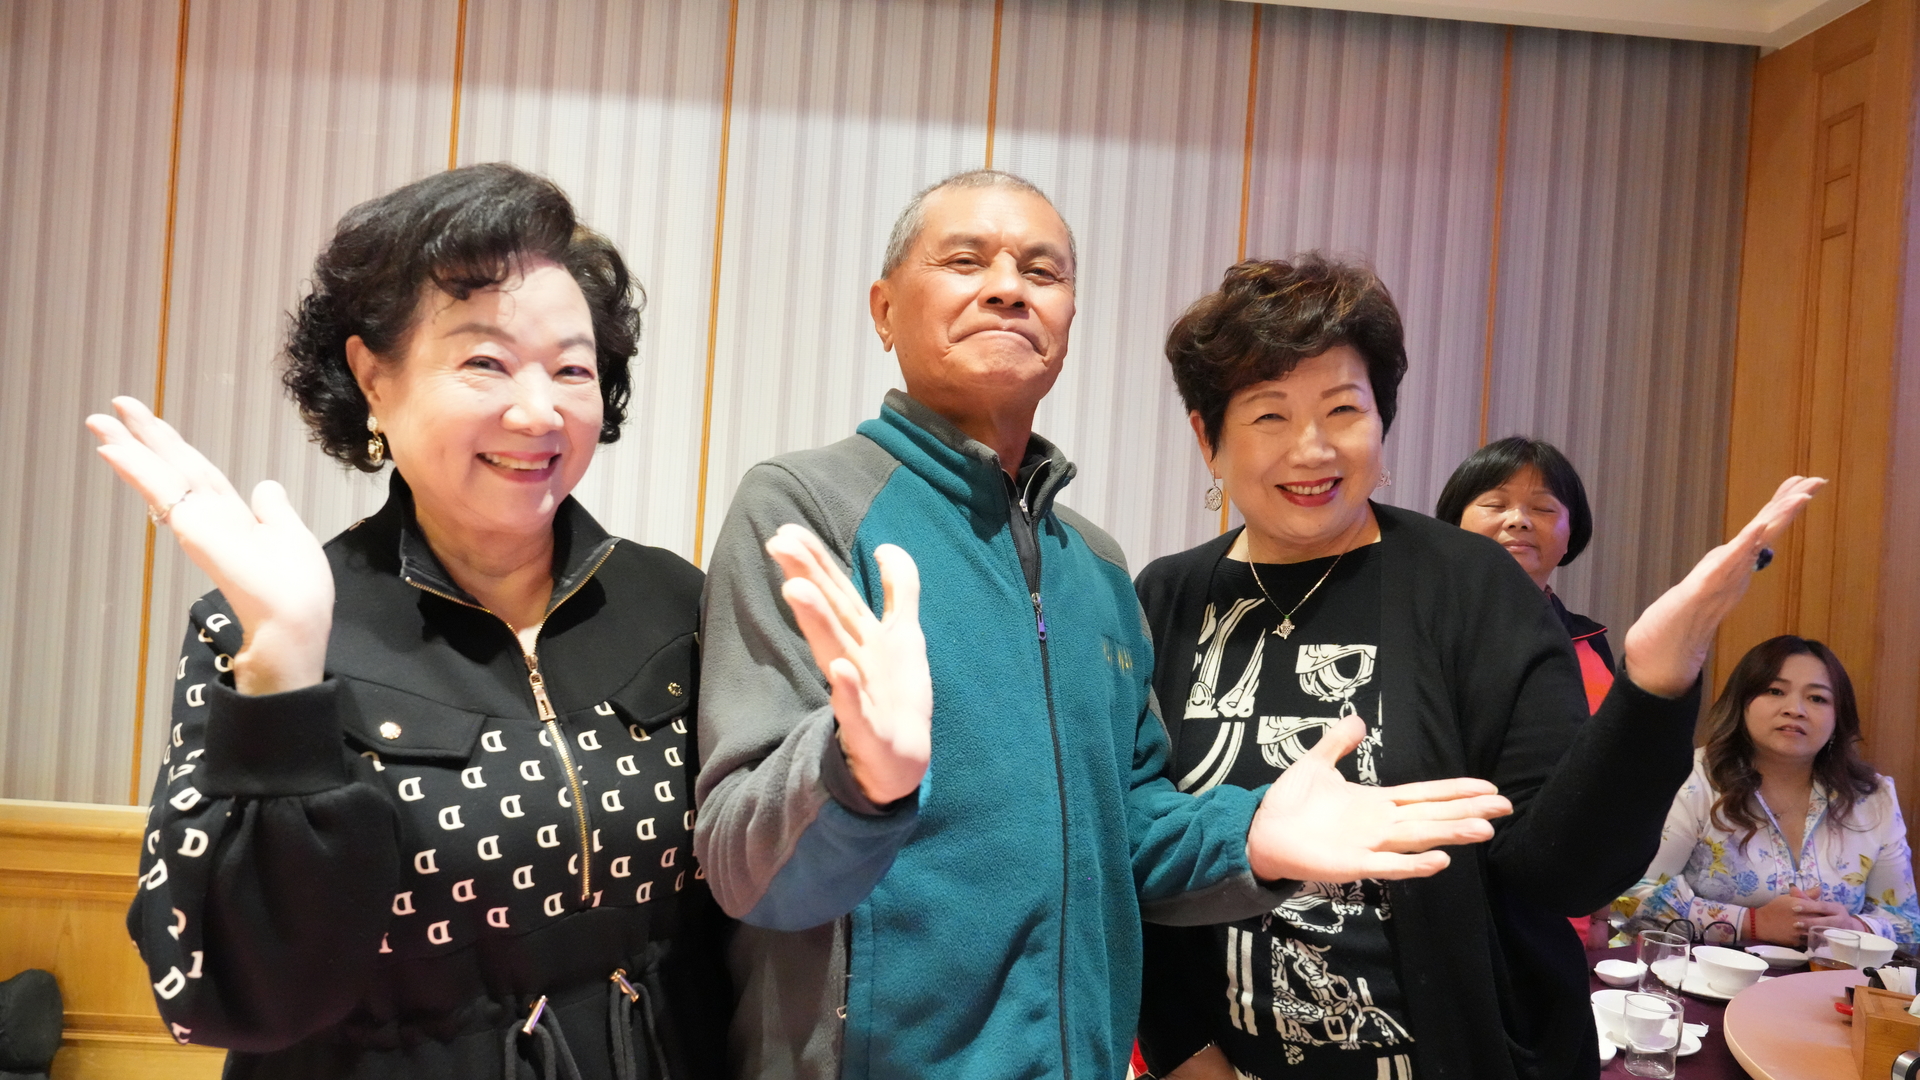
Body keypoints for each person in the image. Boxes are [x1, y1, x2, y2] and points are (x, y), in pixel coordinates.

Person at [691, 171, 1513, 1080]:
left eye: (1041, 271)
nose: (1008, 288)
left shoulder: (1096, 566)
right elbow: (740, 863)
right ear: (885, 310)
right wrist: (855, 773)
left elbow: (1130, 827)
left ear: (1069, 320)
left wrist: (1248, 836)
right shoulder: (803, 507)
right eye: (965, 261)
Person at [95, 164, 728, 1078]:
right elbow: (221, 995)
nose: (538, 411)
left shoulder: (676, 602)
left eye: (572, 369)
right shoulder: (263, 624)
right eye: (485, 362)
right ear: (374, 378)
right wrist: (283, 670)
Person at [1132, 255, 1821, 1080]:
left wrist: (1655, 681)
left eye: (1343, 408)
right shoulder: (1166, 598)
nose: (1311, 448)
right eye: (1269, 415)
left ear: (1381, 422)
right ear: (1208, 438)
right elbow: (1135, 846)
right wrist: (1186, 1053)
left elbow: (1562, 873)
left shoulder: (1471, 584)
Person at [1617, 635, 1919, 947]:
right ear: (1742, 702)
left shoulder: (1872, 797)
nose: (1795, 709)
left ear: (1838, 717)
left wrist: (1852, 927)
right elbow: (1629, 894)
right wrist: (1751, 923)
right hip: (1694, 972)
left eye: (1817, 698)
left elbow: (1909, 926)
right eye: (1775, 691)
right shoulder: (1692, 779)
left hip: (1828, 975)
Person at [1436, 436, 1614, 713]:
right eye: (1496, 505)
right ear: (1454, 522)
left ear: (1571, 533)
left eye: (1543, 508)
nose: (1518, 521)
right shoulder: (1420, 627)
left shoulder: (1590, 642)